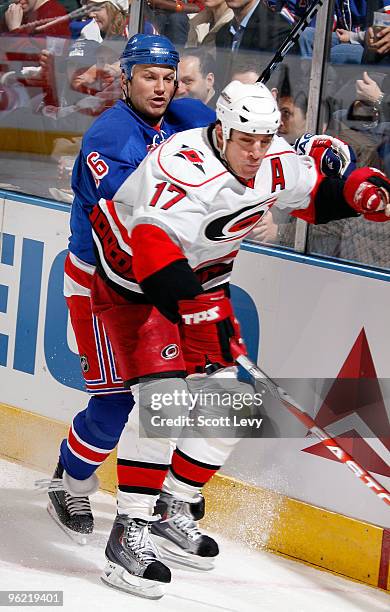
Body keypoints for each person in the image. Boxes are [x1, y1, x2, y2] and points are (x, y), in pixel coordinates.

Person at [88, 80, 390, 598]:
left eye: (266, 138)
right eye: (246, 140)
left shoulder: (270, 157)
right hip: (135, 283)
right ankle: (127, 531)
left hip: (200, 283)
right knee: (167, 403)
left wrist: (357, 195)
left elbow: (315, 196)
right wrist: (196, 309)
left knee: (229, 406)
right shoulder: (181, 167)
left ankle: (173, 505)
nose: (257, 152)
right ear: (222, 131)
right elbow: (152, 252)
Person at [36, 34, 215, 544]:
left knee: (180, 393)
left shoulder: (186, 117)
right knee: (113, 404)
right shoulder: (111, 137)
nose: (160, 88)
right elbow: (136, 217)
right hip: (100, 283)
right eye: (148, 77)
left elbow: (234, 143)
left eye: (167, 78)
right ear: (126, 80)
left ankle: (162, 500)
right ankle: (68, 481)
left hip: (151, 283)